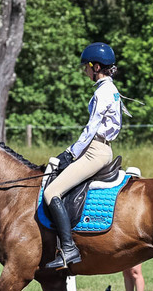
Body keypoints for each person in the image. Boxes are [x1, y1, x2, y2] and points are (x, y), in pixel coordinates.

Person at [44, 42, 125, 269]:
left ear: (96, 66)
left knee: (52, 192)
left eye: (87, 67)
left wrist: (70, 153)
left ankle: (69, 249)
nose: (85, 71)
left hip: (95, 150)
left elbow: (91, 128)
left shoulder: (103, 92)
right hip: (99, 148)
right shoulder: (111, 90)